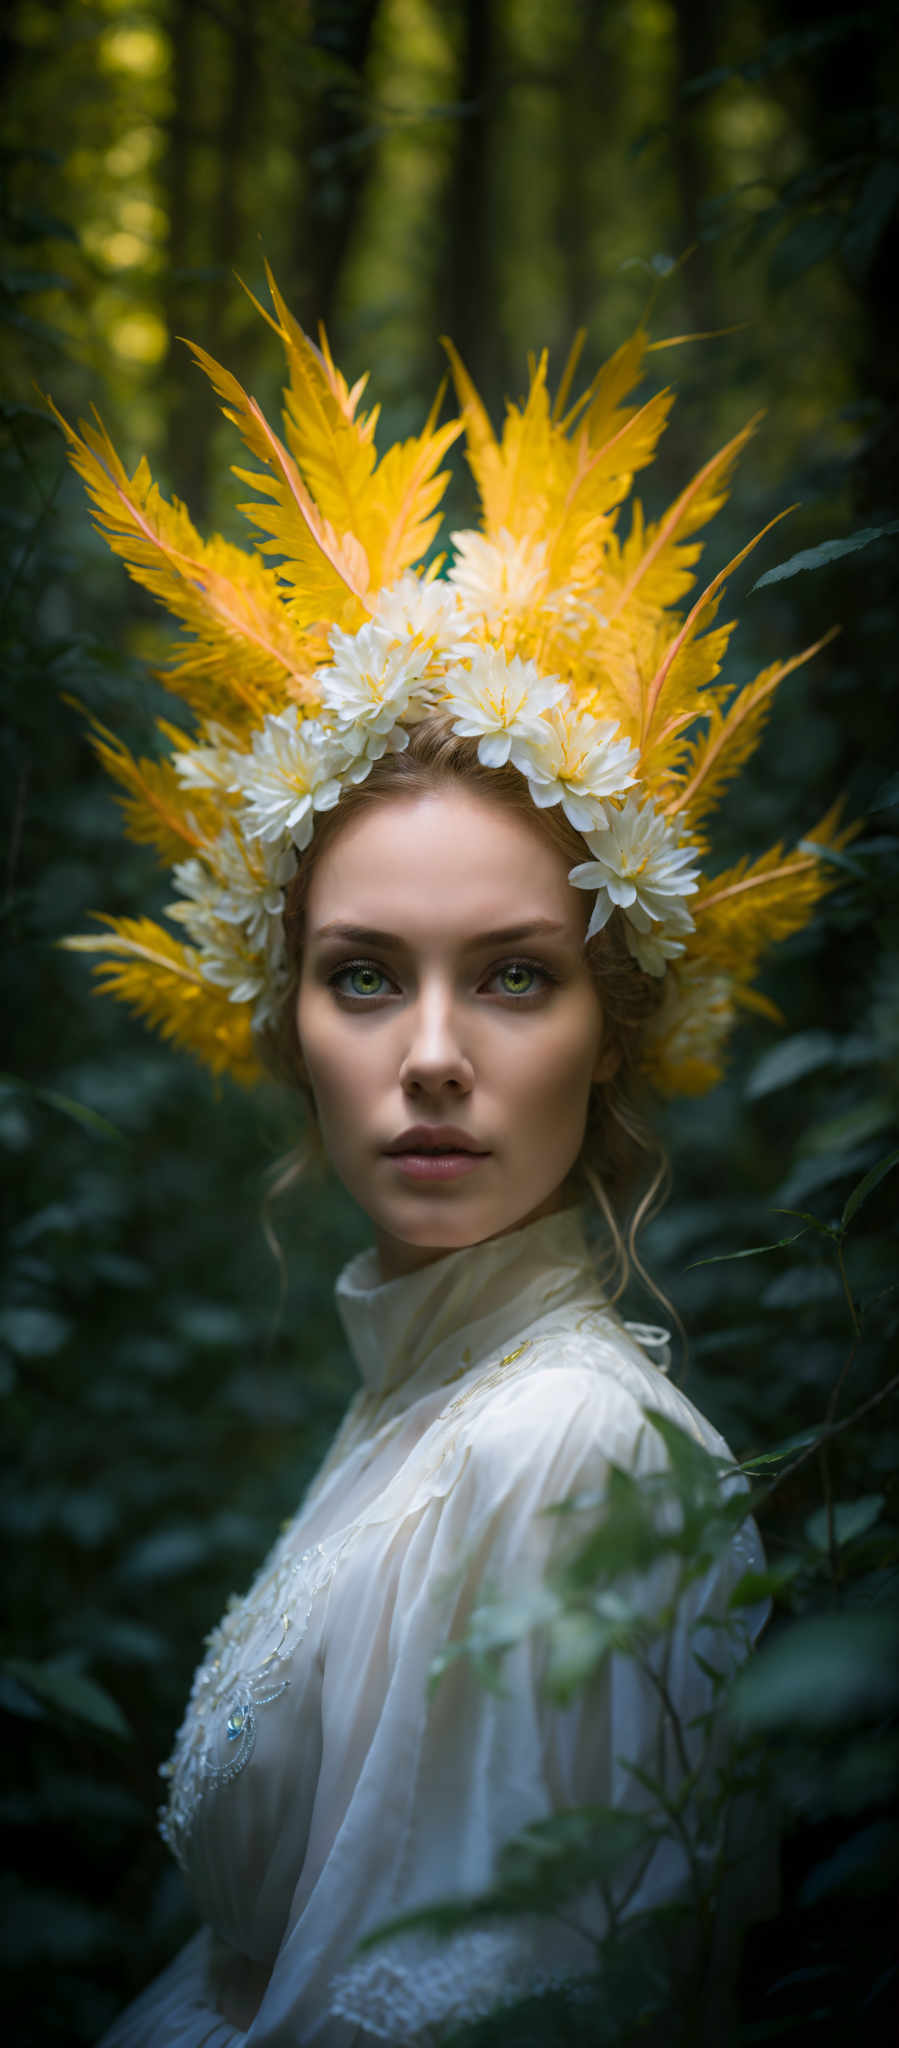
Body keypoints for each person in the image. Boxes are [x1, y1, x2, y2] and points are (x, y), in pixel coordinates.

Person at [50, 285, 846, 2044]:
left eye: (511, 974)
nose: (426, 1053)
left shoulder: (564, 1445)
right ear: (285, 1023)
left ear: (611, 1021)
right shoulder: (433, 1401)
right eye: (361, 975)